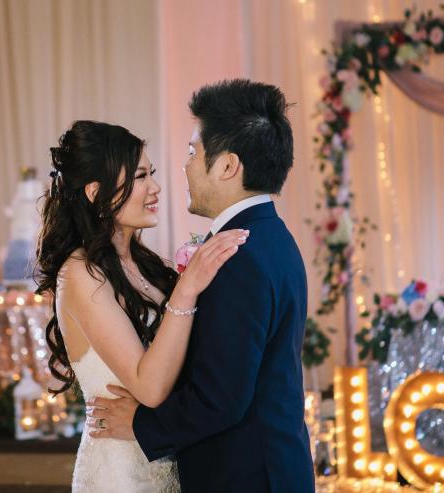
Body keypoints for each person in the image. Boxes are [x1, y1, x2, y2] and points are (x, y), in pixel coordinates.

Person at [88, 79, 315, 493]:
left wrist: (141, 424)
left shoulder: (238, 256)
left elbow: (222, 397)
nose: (185, 166)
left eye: (193, 152)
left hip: (247, 478)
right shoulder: (268, 236)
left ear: (227, 166)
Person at [35, 120, 247, 492]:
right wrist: (186, 291)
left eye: (152, 174)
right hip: (120, 473)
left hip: (167, 458)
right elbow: (149, 387)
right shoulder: (80, 273)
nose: (156, 187)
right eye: (140, 177)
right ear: (96, 192)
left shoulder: (148, 265)